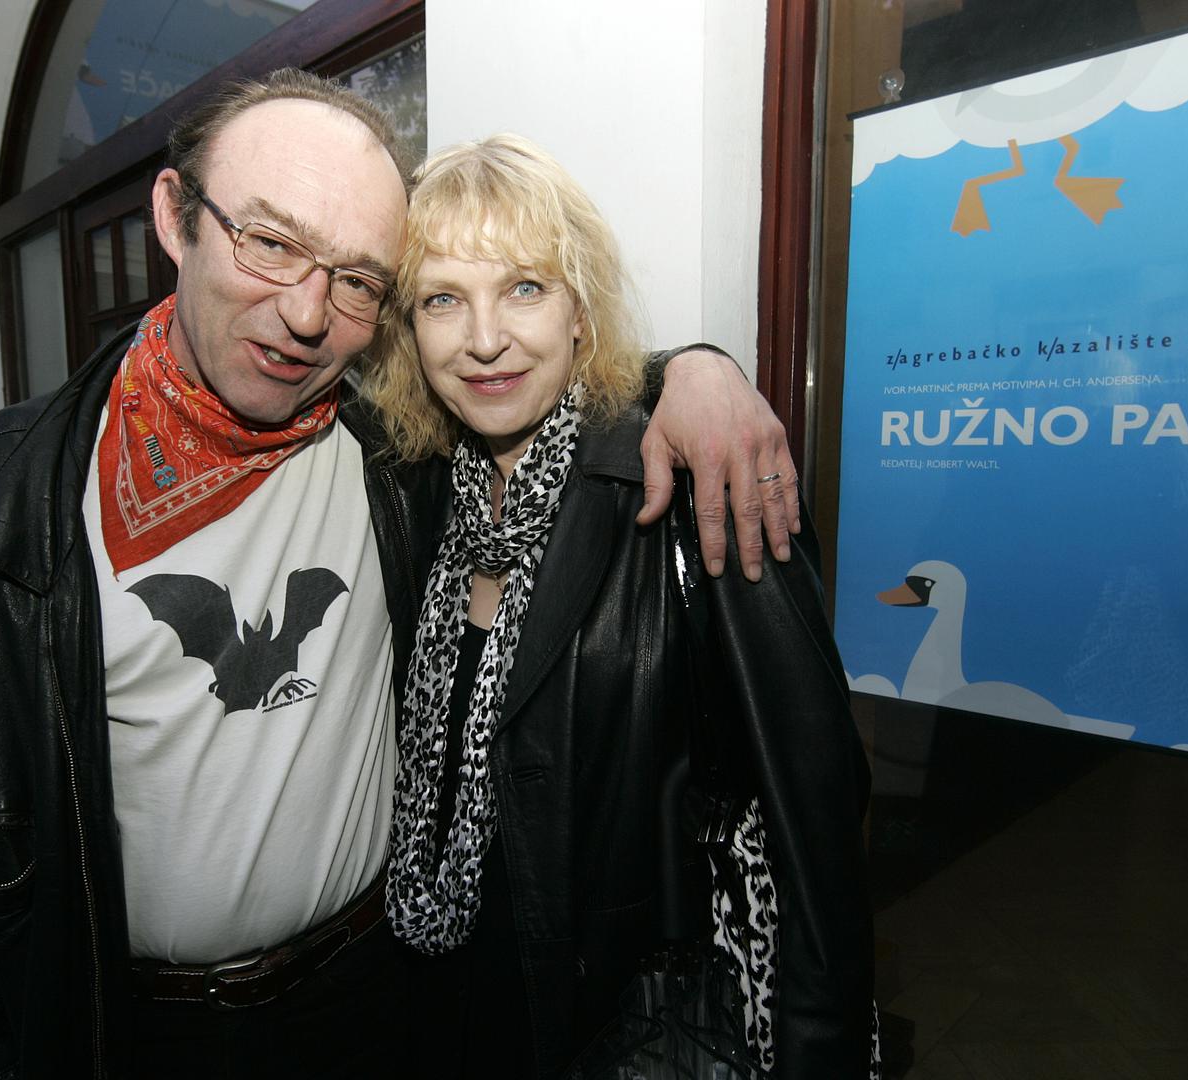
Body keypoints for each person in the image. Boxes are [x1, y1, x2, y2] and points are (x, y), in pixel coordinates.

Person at [0, 70, 797, 1079]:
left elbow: (534, 381)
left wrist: (695, 371)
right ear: (175, 218)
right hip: (125, 1033)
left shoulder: (396, 463)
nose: (306, 314)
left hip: (377, 1006)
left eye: (357, 280)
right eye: (271, 242)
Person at [369, 134, 874, 1078]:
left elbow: (817, 803)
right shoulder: (416, 495)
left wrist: (823, 1049)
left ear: (579, 311)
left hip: (621, 1026)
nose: (485, 339)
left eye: (525, 287)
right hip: (444, 1009)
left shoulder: (693, 484)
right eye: (442, 299)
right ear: (407, 331)